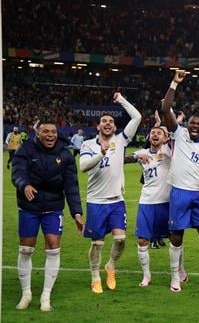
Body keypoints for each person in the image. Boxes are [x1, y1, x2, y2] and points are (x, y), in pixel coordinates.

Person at [11, 119, 84, 311]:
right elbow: (17, 172)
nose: (50, 135)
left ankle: (46, 296)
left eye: (53, 131)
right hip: (29, 206)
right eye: (46, 131)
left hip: (53, 208)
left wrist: (76, 212)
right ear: (38, 133)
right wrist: (24, 185)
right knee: (26, 250)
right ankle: (26, 293)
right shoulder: (25, 149)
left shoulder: (65, 155)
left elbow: (71, 185)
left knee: (53, 247)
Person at [79, 91, 142, 293]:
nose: (107, 123)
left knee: (120, 239)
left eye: (111, 121)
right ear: (98, 126)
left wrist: (121, 99)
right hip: (96, 201)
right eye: (103, 121)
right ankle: (95, 276)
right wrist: (102, 153)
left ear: (114, 127)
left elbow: (137, 117)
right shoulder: (88, 144)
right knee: (97, 243)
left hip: (116, 200)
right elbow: (83, 166)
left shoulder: (121, 140)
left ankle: (111, 267)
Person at [162, 70, 199, 293]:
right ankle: (175, 277)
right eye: (192, 123)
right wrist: (175, 83)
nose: (194, 126)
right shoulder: (180, 134)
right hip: (179, 192)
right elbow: (166, 109)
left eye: (198, 124)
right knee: (177, 235)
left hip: (198, 193)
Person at [129, 126, 179, 287]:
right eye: (152, 133)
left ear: (165, 138)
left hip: (166, 203)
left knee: (174, 239)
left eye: (159, 133)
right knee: (142, 240)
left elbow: (175, 133)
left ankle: (176, 274)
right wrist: (136, 155)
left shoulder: (169, 151)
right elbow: (124, 158)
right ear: (149, 137)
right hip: (146, 203)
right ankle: (146, 275)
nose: (155, 134)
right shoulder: (142, 153)